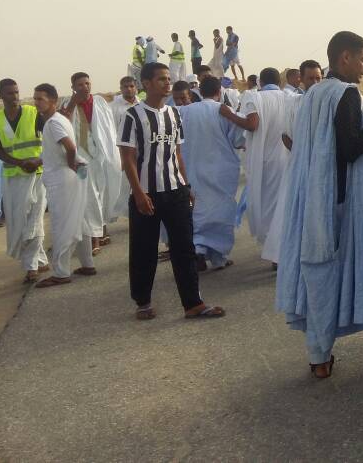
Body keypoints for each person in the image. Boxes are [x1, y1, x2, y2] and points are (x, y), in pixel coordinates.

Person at [275, 31, 363, 378]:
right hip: (344, 205)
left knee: (320, 276)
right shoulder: (346, 94)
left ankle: (319, 357)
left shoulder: (314, 93)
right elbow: (349, 149)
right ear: (344, 58)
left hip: (316, 200)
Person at [117, 62, 225, 320]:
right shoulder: (132, 116)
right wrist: (139, 193)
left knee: (184, 247)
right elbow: (128, 157)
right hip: (147, 194)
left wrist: (186, 185)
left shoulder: (174, 115)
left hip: (175, 190)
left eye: (168, 78)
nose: (167, 83)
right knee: (144, 250)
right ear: (146, 84)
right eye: (162, 79)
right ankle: (143, 301)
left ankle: (193, 303)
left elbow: (177, 153)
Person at [261, 59, 323, 267]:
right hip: (298, 166)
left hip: (321, 168)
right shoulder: (294, 102)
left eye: (318, 78)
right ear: (301, 80)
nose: (314, 82)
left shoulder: (327, 102)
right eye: (310, 78)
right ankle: (280, 256)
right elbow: (285, 136)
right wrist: (303, 154)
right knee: (290, 211)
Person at [179, 77, 245, 272]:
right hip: (220, 170)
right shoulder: (223, 111)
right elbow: (238, 139)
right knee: (221, 211)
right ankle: (218, 257)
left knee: (198, 210)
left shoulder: (183, 111)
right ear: (219, 92)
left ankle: (198, 247)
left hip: (191, 168)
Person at [33, 83, 95, 288]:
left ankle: (61, 272)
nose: (36, 102)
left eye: (40, 98)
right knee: (79, 220)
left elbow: (69, 146)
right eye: (35, 98)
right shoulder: (57, 120)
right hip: (71, 175)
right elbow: (56, 150)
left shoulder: (53, 123)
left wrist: (70, 163)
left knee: (62, 225)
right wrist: (39, 161)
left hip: (63, 178)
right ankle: (87, 264)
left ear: (53, 100)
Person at [220, 67, 290, 246]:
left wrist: (230, 115)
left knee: (267, 204)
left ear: (261, 82)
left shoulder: (254, 97)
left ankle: (274, 248)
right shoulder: (290, 97)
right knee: (283, 204)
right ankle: (280, 247)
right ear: (279, 82)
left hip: (265, 161)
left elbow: (252, 124)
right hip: (287, 159)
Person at [58, 72, 121, 253]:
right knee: (89, 196)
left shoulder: (100, 102)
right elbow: (63, 123)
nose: (84, 87)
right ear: (73, 87)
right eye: (80, 84)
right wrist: (72, 102)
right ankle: (94, 238)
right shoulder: (66, 104)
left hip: (103, 155)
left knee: (106, 192)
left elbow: (110, 129)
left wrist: (115, 154)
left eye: (87, 83)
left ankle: (102, 229)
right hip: (81, 158)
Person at [0, 78, 49, 282]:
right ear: (0, 96)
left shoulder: (33, 112)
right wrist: (18, 162)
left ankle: (31, 266)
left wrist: (39, 160)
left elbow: (51, 138)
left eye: (17, 92)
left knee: (34, 219)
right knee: (18, 222)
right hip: (13, 176)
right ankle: (41, 260)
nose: (15, 96)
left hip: (37, 174)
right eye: (10, 93)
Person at [108, 76, 140, 222]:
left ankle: (136, 216)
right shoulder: (113, 107)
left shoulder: (142, 104)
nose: (129, 89)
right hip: (122, 152)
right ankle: (107, 219)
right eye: (125, 86)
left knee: (138, 185)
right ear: (121, 89)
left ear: (136, 88)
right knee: (119, 187)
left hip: (140, 151)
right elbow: (111, 132)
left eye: (131, 86)